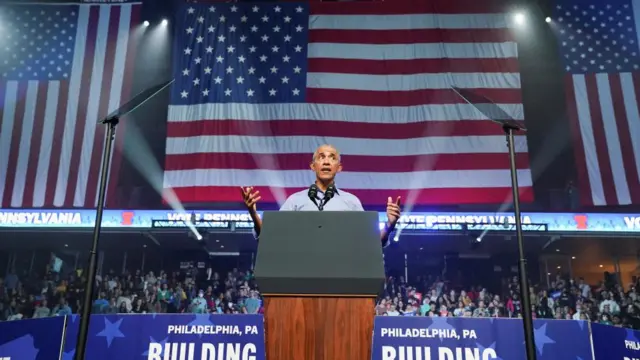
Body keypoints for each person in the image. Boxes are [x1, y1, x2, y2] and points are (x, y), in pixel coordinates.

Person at [240, 144, 401, 246]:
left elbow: (370, 243)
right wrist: (253, 213)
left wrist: (389, 225)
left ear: (339, 167)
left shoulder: (351, 202)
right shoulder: (295, 201)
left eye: (332, 158)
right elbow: (270, 236)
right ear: (313, 166)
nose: (326, 162)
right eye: (321, 157)